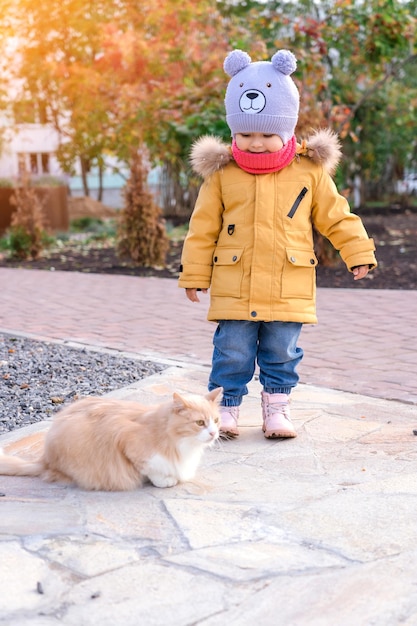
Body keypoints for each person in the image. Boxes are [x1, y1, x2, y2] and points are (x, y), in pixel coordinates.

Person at [178, 49, 377, 440]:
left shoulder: (310, 173)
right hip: (235, 284)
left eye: (267, 134)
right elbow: (202, 228)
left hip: (290, 283)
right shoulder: (222, 175)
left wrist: (357, 251)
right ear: (234, 131)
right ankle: (227, 411)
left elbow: (336, 216)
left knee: (283, 353)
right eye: (246, 134)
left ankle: (277, 411)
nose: (256, 143)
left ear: (287, 130)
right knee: (231, 352)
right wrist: (194, 274)